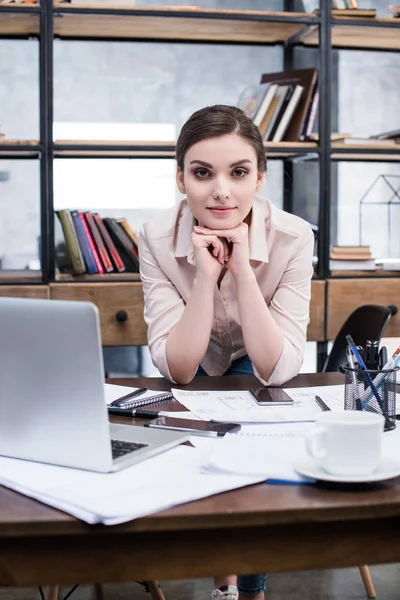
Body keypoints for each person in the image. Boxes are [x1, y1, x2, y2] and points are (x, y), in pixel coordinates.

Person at [138, 105, 314, 600]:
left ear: (259, 178)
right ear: (179, 178)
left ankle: (244, 591)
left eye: (238, 173)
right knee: (200, 445)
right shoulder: (154, 236)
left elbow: (277, 369)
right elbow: (179, 367)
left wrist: (239, 269)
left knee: (253, 434)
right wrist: (205, 275)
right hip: (195, 363)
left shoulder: (293, 237)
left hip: (256, 363)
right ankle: (226, 584)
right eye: (202, 173)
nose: (221, 191)